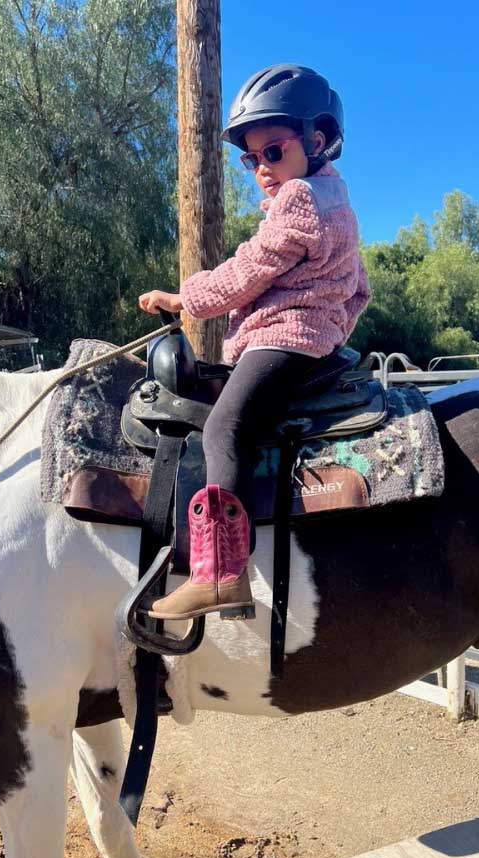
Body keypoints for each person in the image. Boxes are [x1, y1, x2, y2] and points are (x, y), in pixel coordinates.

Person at [137, 63, 369, 623]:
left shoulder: (301, 202)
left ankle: (221, 576)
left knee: (225, 427)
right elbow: (359, 290)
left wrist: (182, 299)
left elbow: (248, 272)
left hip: (286, 337)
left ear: (316, 141)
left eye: (274, 152)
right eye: (251, 158)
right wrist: (332, 329)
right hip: (310, 338)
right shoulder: (336, 200)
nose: (261, 169)